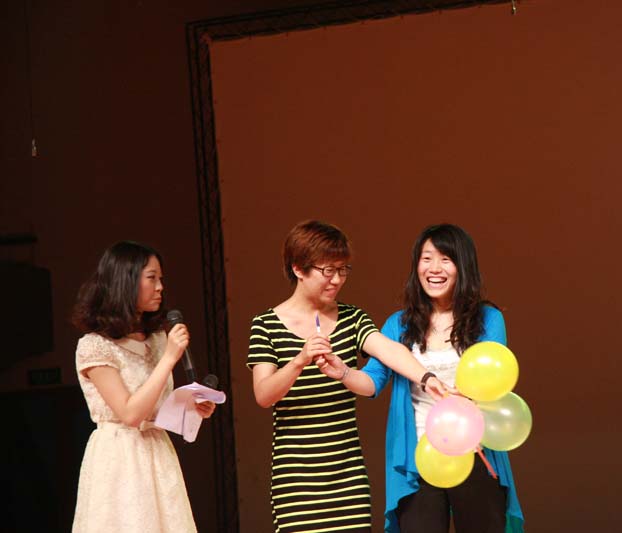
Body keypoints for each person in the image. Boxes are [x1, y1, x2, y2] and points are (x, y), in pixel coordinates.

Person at [247, 220, 447, 533]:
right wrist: (300, 360)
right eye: (328, 271)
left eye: (343, 270)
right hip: (296, 480)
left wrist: (427, 379)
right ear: (298, 269)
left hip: (348, 475)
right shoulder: (265, 325)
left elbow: (389, 350)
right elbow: (263, 394)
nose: (337, 280)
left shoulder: (353, 318)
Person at [323, 224, 524, 532]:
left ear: (463, 266)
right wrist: (344, 372)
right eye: (426, 258)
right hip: (418, 458)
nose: (434, 268)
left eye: (446, 259)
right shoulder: (399, 324)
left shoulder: (488, 318)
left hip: (476, 450)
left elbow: (494, 379)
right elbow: (373, 381)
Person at [71, 241, 215, 533]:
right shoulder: (95, 346)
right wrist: (170, 358)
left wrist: (192, 407)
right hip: (119, 457)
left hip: (158, 452)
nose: (160, 287)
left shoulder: (158, 339)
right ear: (125, 281)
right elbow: (130, 414)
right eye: (152, 278)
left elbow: (157, 410)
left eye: (161, 278)